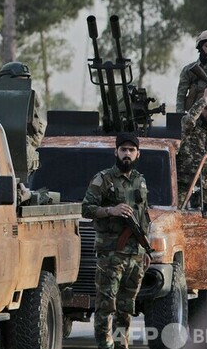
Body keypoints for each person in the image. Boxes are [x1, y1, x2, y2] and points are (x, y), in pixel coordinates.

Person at [82, 133, 151, 349]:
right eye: (123, 150)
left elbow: (144, 215)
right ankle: (105, 345)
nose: (127, 154)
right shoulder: (103, 179)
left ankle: (122, 344)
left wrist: (146, 249)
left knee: (126, 307)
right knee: (106, 305)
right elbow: (86, 209)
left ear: (138, 154)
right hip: (111, 254)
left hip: (135, 255)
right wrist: (111, 210)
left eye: (131, 150)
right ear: (116, 152)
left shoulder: (140, 180)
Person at [0, 61, 46, 172]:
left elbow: (36, 130)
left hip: (23, 150)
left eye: (26, 82)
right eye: (19, 82)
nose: (24, 87)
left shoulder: (31, 97)